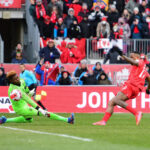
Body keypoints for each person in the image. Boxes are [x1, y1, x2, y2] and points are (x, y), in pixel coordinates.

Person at [93, 51, 150, 126]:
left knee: (116, 100)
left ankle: (136, 113)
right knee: (111, 102)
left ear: (136, 56)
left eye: (131, 56)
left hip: (131, 86)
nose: (130, 58)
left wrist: (124, 57)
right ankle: (104, 121)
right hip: (136, 90)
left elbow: (135, 62)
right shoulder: (144, 71)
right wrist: (147, 89)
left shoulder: (140, 61)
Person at [0, 71, 74, 125]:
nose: (18, 79)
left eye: (17, 77)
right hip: (20, 108)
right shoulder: (14, 90)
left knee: (29, 120)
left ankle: (5, 120)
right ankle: (68, 120)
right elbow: (29, 100)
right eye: (15, 79)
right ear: (11, 81)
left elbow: (26, 91)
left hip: (24, 103)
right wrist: (40, 109)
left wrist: (30, 93)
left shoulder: (22, 81)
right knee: (45, 113)